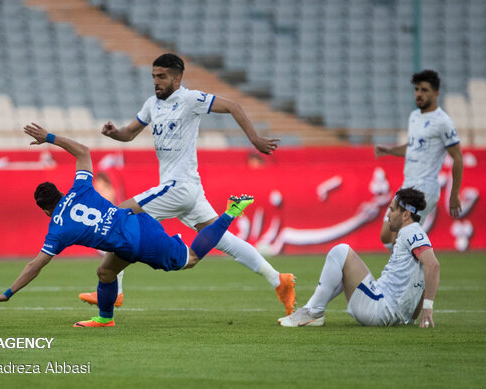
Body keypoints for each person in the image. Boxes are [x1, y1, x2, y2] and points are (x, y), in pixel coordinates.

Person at [78, 53, 296, 315]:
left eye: (162, 77)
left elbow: (233, 106)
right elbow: (130, 133)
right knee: (222, 239)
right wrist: (116, 133)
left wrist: (255, 139)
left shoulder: (190, 99)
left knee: (118, 216)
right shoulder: (152, 104)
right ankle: (278, 280)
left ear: (177, 78)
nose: (156, 82)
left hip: (179, 186)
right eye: (154, 77)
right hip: (188, 190)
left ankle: (116, 293)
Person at [0, 123, 254, 328]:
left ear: (44, 210)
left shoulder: (58, 228)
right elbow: (83, 152)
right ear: (61, 193)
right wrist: (49, 138)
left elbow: (35, 265)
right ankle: (105, 319)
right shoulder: (79, 187)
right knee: (105, 273)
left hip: (138, 241)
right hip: (136, 223)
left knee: (191, 259)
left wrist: (8, 293)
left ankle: (230, 212)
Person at [279, 187, 440, 328]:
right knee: (341, 267)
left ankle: (313, 313)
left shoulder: (411, 231)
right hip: (386, 309)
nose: (388, 215)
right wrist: (411, 318)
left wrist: (427, 309)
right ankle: (309, 310)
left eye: (392, 210)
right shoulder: (414, 234)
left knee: (340, 251)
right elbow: (423, 280)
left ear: (405, 214)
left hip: (380, 308)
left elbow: (433, 265)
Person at [375, 70, 463, 250]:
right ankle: (416, 269)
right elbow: (412, 147)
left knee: (399, 236)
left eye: (424, 90)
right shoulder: (414, 116)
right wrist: (390, 150)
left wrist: (454, 194)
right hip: (407, 185)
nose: (419, 94)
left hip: (424, 188)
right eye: (416, 89)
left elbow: (458, 157)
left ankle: (411, 275)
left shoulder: (443, 122)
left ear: (436, 93)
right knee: (387, 235)